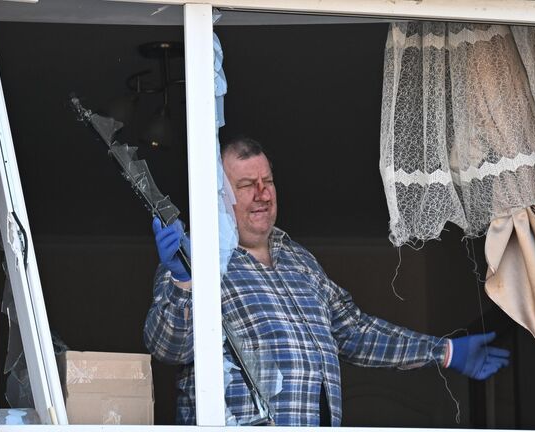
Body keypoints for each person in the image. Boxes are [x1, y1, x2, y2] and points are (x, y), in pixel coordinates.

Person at [144, 137, 510, 426]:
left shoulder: (300, 261)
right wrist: (183, 281)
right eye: (246, 185)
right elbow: (168, 348)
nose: (262, 193)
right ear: (220, 196)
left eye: (267, 181)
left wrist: (445, 351)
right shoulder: (197, 260)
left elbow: (355, 331)